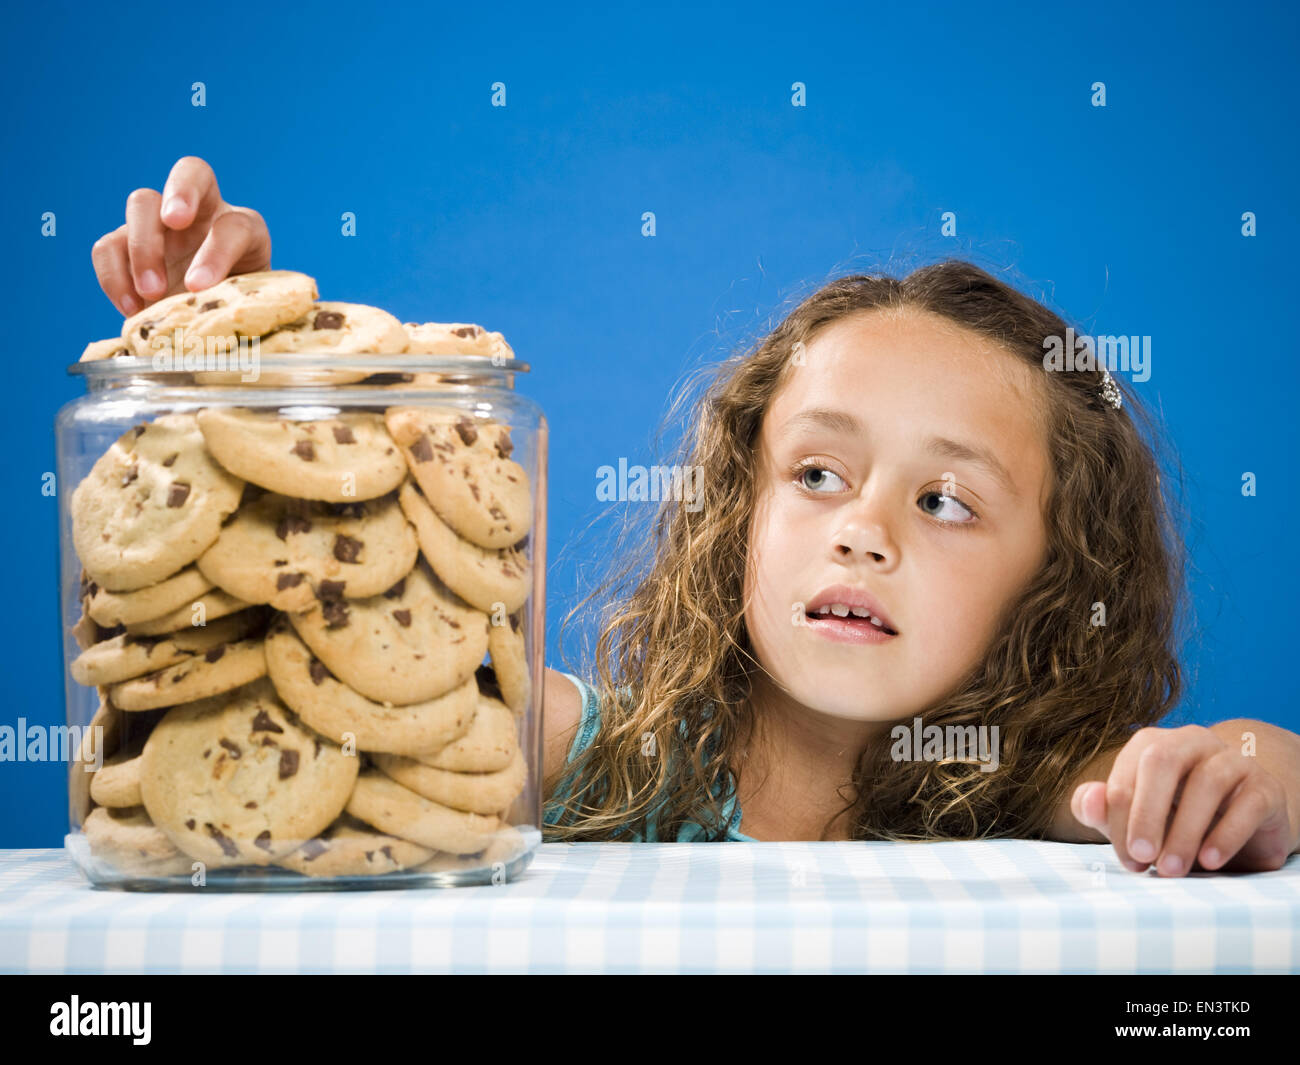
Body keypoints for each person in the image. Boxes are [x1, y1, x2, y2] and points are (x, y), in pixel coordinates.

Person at [93, 156, 1300, 875]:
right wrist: (248, 365)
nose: (859, 529)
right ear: (738, 516)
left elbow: (1225, 779)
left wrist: (1235, 771)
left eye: (942, 500)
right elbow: (320, 661)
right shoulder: (599, 759)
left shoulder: (1022, 794)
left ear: (1053, 576)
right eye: (816, 476)